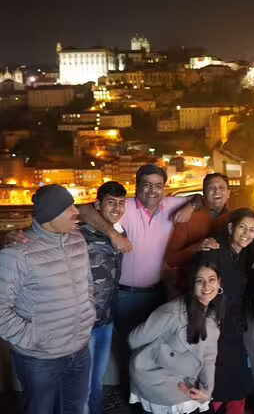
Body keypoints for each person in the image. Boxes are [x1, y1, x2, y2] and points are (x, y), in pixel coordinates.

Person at [77, 164, 203, 392]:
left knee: (156, 351)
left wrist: (191, 207)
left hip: (157, 293)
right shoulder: (126, 208)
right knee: (130, 351)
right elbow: (84, 211)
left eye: (158, 186)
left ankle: (148, 399)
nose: (152, 191)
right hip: (124, 294)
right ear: (137, 187)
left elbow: (199, 196)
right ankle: (133, 396)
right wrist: (113, 234)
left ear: (164, 188)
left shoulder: (171, 205)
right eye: (146, 185)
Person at [0, 184, 96, 414]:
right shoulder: (16, 253)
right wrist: (33, 338)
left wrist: (88, 316)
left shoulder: (78, 240)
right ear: (50, 215)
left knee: (74, 408)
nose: (76, 212)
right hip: (40, 359)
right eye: (68, 208)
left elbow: (87, 284)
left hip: (80, 349)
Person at [128, 258, 224, 414]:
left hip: (184, 378)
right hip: (156, 377)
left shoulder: (212, 313)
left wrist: (206, 391)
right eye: (200, 281)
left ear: (219, 283)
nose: (207, 286)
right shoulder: (172, 312)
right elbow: (134, 339)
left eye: (212, 280)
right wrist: (161, 353)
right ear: (192, 285)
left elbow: (208, 356)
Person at [196, 208, 254, 414]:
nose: (247, 233)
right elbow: (201, 288)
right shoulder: (214, 251)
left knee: (238, 381)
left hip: (235, 327)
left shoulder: (245, 255)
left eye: (252, 230)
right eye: (242, 227)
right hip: (214, 326)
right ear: (231, 227)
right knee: (216, 381)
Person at [79, 181, 127, 414]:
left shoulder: (121, 233)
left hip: (106, 320)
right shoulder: (78, 234)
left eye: (121, 203)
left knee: (96, 379)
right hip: (83, 322)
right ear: (98, 205)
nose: (117, 208)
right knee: (83, 383)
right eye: (111, 203)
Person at [166, 173, 233, 290]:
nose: (217, 191)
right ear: (204, 193)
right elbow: (171, 260)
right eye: (211, 188)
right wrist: (196, 247)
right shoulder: (188, 218)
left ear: (228, 193)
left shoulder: (234, 220)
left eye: (221, 188)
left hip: (223, 289)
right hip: (190, 288)